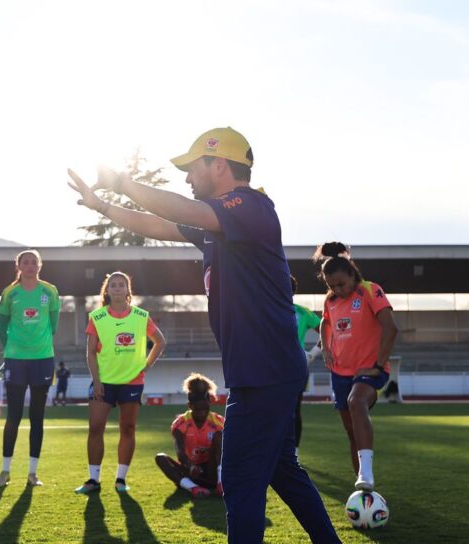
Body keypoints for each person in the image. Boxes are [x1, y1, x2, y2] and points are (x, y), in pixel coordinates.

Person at [69, 127, 340, 543]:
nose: (187, 177)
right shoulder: (220, 226)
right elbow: (159, 224)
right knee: (283, 470)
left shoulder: (251, 207)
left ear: (219, 166)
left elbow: (182, 209)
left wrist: (122, 182)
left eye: (193, 167)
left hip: (265, 371)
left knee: (239, 476)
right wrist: (102, 205)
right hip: (263, 370)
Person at [314, 242, 398, 492]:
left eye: (341, 284)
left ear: (352, 274)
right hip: (340, 372)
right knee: (351, 432)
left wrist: (378, 365)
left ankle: (367, 473)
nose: (337, 290)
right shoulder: (330, 301)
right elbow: (324, 323)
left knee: (356, 401)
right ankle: (363, 490)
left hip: (368, 370)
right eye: (332, 286)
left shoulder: (370, 290)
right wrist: (326, 347)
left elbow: (391, 329)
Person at [75, 272, 165, 494]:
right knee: (95, 427)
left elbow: (160, 342)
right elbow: (90, 353)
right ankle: (93, 480)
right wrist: (96, 381)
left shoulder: (141, 316)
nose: (117, 288)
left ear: (127, 290)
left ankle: (121, 480)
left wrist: (146, 365)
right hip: (103, 382)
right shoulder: (97, 317)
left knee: (128, 428)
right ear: (107, 291)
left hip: (132, 382)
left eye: (121, 285)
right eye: (113, 285)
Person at [0, 249, 60, 488]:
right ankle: (5, 471)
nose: (30, 265)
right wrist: (11, 349)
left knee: (37, 417)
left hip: (42, 359)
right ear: (19, 266)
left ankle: (33, 473)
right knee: (13, 416)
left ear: (39, 265)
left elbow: (53, 325)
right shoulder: (9, 293)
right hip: (16, 359)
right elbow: (1, 326)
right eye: (26, 262)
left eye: (34, 262)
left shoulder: (50, 291)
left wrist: (38, 345)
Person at [155, 373, 223, 498]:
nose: (202, 413)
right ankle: (194, 488)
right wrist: (191, 466)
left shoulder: (218, 422)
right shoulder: (181, 423)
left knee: (220, 436)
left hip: (212, 470)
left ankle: (220, 483)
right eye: (198, 409)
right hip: (191, 472)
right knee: (160, 458)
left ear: (210, 403)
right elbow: (180, 451)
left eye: (205, 409)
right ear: (190, 406)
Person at [291, 275, 322, 457]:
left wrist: (312, 354)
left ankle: (293, 453)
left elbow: (327, 329)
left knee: (294, 410)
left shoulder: (303, 312)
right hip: (271, 368)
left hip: (296, 368)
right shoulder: (265, 310)